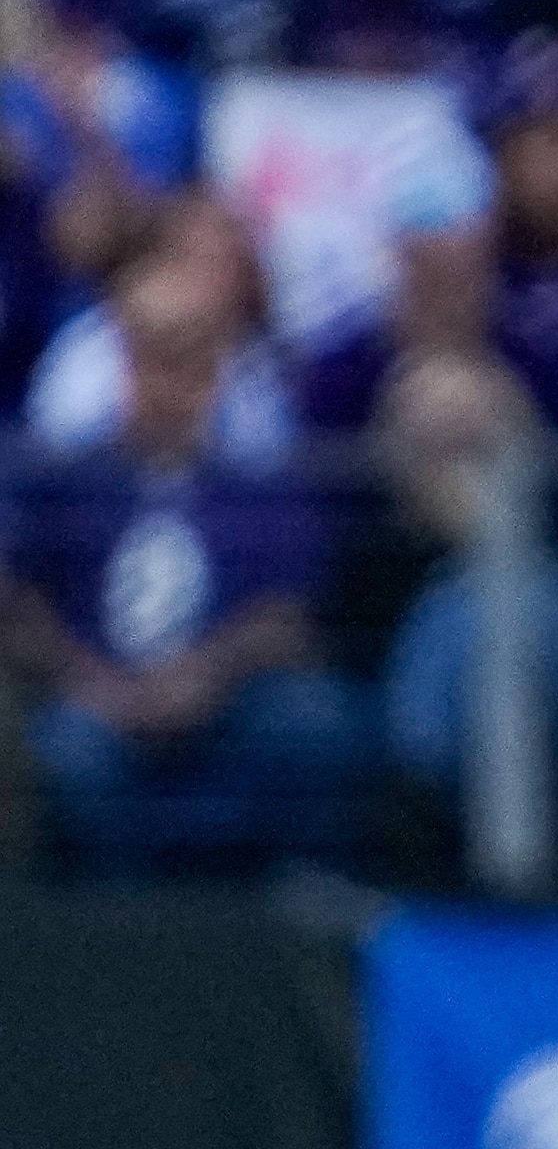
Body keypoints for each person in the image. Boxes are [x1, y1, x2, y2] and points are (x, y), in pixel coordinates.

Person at [5, 255, 368, 873]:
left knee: (314, 719)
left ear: (216, 370)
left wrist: (204, 677)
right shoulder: (66, 483)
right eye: (154, 355)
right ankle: (103, 932)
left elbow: (288, 619)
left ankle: (302, 911)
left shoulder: (259, 490)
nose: (173, 379)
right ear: (127, 363)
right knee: (66, 746)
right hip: (96, 708)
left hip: (229, 710)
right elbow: (21, 609)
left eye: (190, 357)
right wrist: (98, 686)